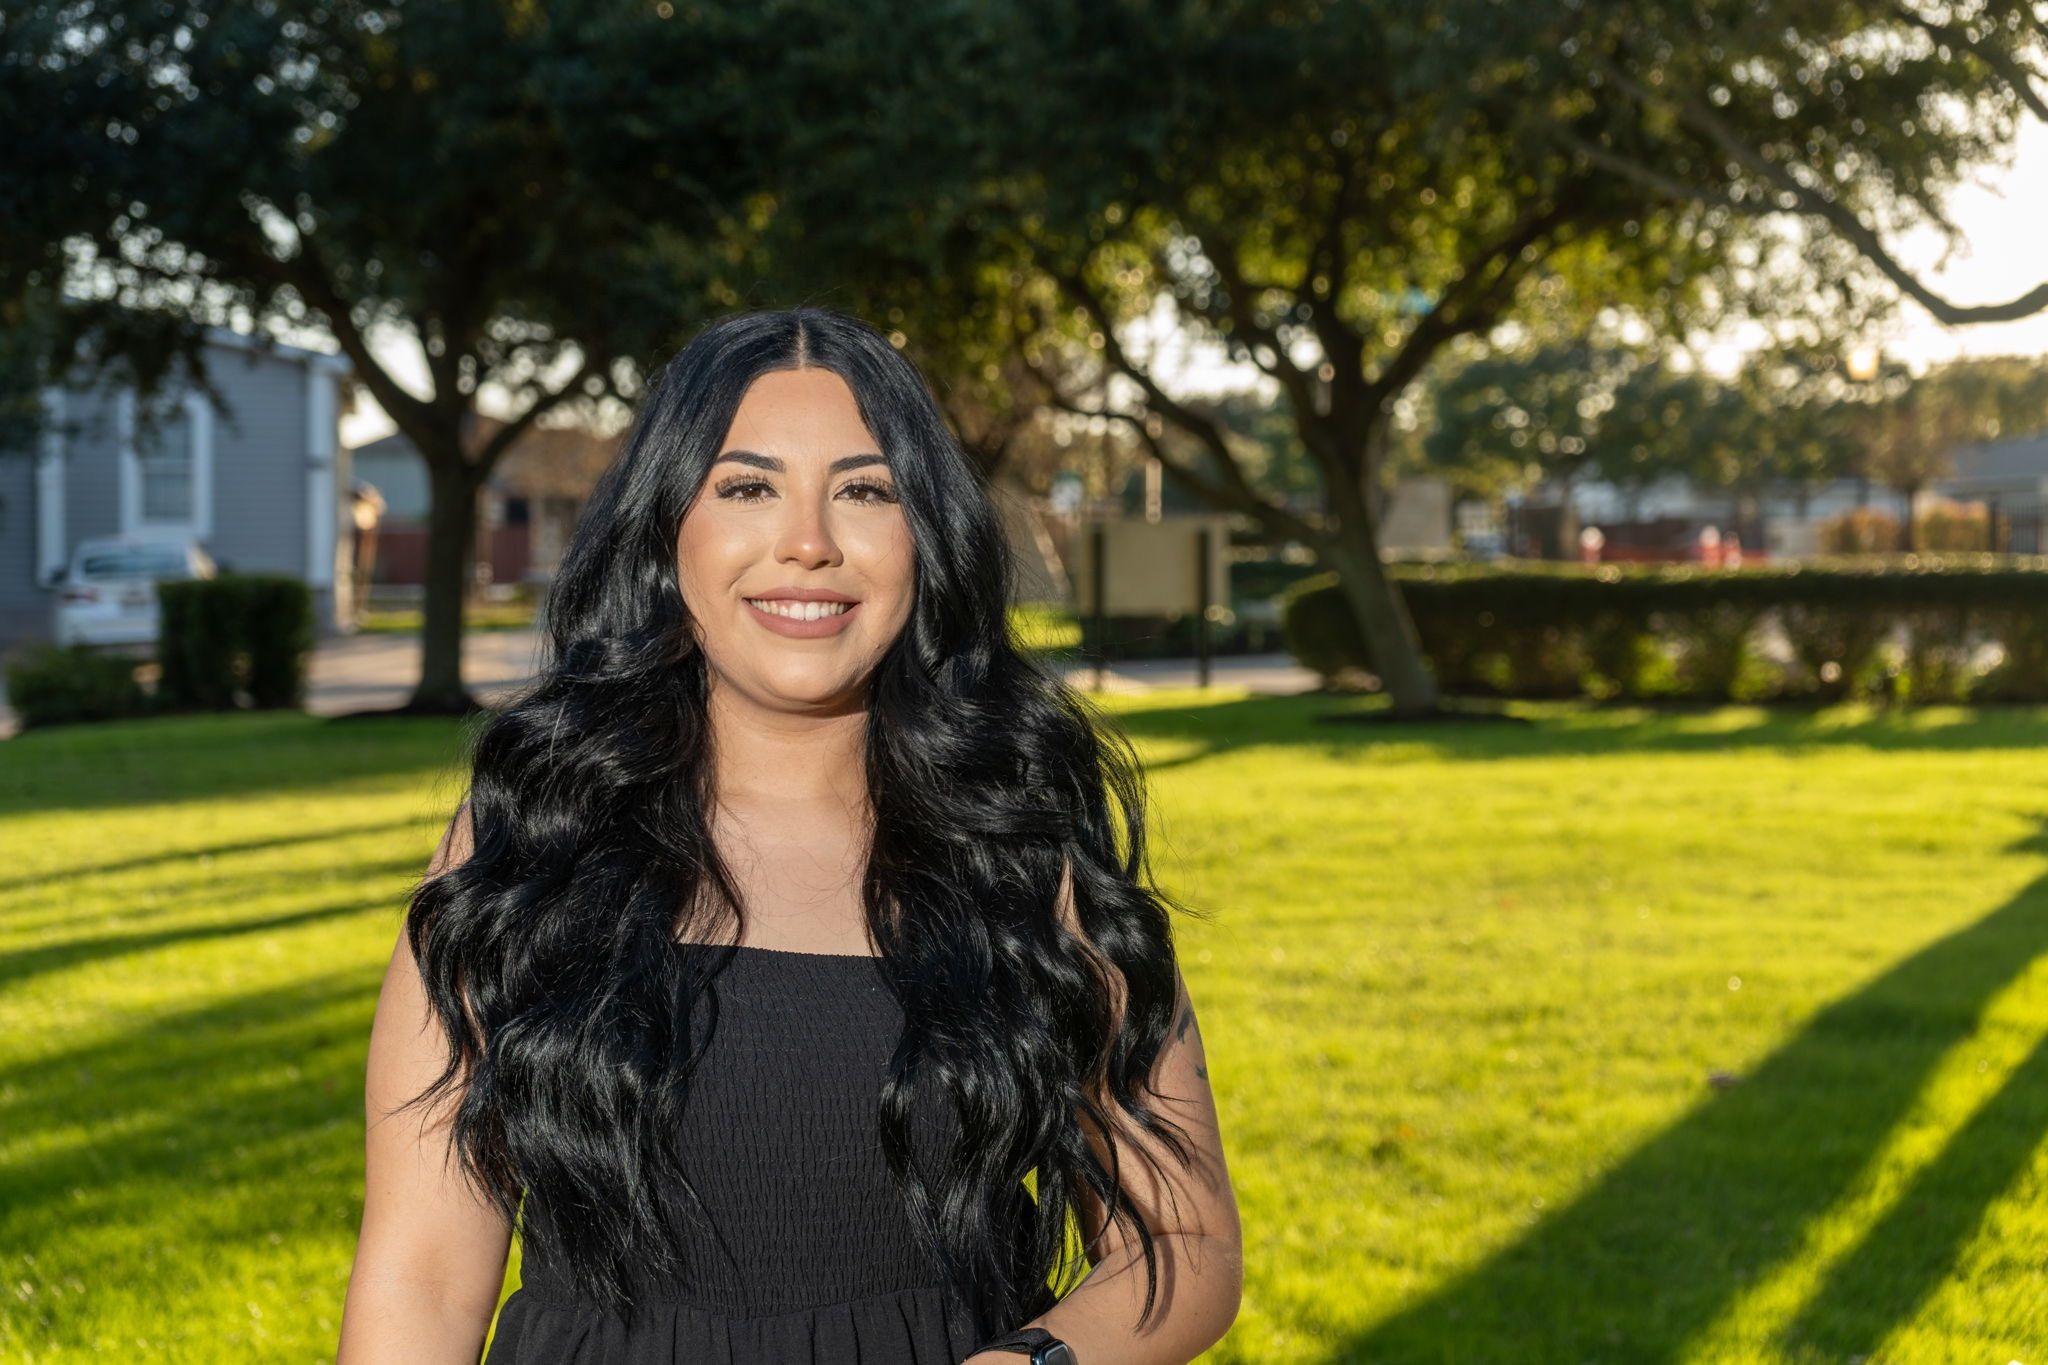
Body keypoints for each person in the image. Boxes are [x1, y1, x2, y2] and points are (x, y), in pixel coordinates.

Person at [335, 306, 1243, 1365]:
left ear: (927, 541)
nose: (807, 543)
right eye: (746, 487)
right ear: (668, 529)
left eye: (865, 491)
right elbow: (422, 1282)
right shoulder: (531, 840)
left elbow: (1180, 1243)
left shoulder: (1022, 843)